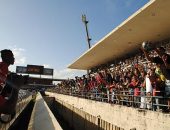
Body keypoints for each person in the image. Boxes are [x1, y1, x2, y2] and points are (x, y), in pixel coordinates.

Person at [142, 45, 170, 111]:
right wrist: (145, 52)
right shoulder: (158, 59)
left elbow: (168, 67)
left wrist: (164, 61)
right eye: (158, 50)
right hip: (167, 79)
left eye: (160, 50)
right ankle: (169, 108)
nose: (158, 52)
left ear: (163, 51)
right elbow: (149, 59)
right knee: (168, 95)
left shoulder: (167, 56)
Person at [0, 49, 25, 123]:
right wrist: (16, 86)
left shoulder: (4, 69)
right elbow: (8, 110)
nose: (14, 58)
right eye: (12, 56)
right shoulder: (2, 68)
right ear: (7, 57)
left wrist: (6, 87)